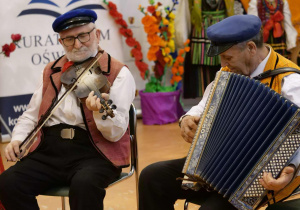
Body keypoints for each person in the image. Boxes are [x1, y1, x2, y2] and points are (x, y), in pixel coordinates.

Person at [138, 14, 300, 210]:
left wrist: (292, 167)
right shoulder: (227, 73)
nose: (223, 64)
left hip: (258, 179)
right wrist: (187, 118)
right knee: (152, 177)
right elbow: (205, 104)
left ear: (250, 48)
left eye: (228, 57)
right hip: (216, 165)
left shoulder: (290, 81)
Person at [0, 9, 136, 210]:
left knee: (84, 185)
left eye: (83, 35)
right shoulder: (51, 70)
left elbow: (116, 133)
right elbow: (32, 114)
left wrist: (99, 112)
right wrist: (18, 138)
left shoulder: (118, 73)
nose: (77, 44)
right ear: (61, 43)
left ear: (97, 35)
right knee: (8, 183)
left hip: (96, 152)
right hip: (50, 150)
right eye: (69, 39)